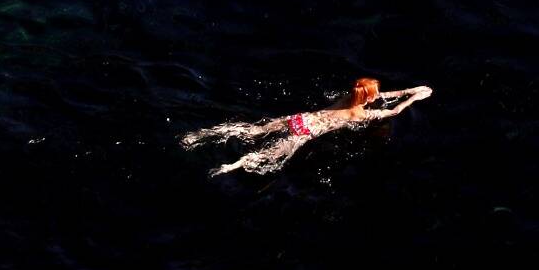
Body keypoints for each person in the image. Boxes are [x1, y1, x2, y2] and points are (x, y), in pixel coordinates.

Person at [182, 78, 433, 176]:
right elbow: (394, 110)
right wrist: (414, 97)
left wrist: (410, 88)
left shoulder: (350, 97)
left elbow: (376, 95)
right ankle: (231, 167)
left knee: (252, 130)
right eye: (375, 94)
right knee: (265, 156)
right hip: (304, 134)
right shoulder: (359, 115)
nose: (379, 95)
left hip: (298, 119)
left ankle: (200, 136)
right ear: (368, 97)